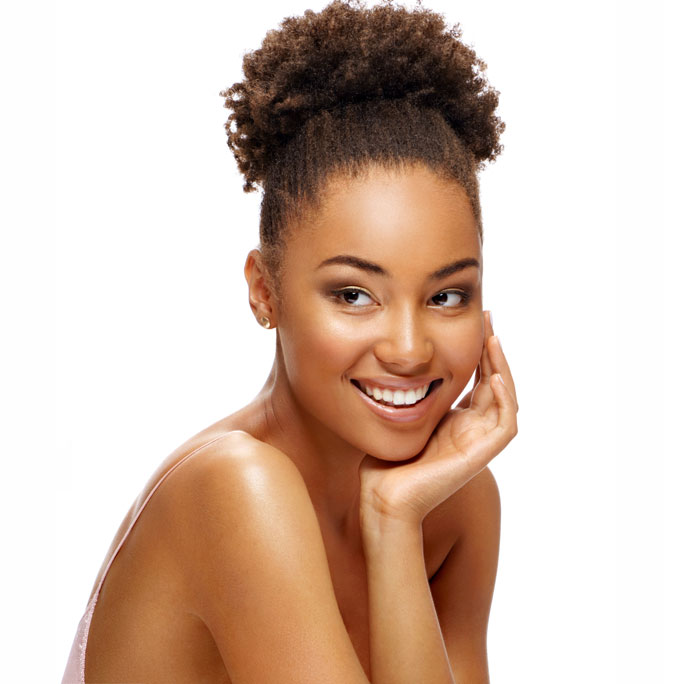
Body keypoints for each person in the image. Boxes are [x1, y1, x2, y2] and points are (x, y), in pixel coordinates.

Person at [61, 0, 518, 682]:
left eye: (446, 296)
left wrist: (393, 520)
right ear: (264, 292)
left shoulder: (452, 504)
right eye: (353, 295)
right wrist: (393, 523)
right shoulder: (237, 487)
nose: (408, 348)